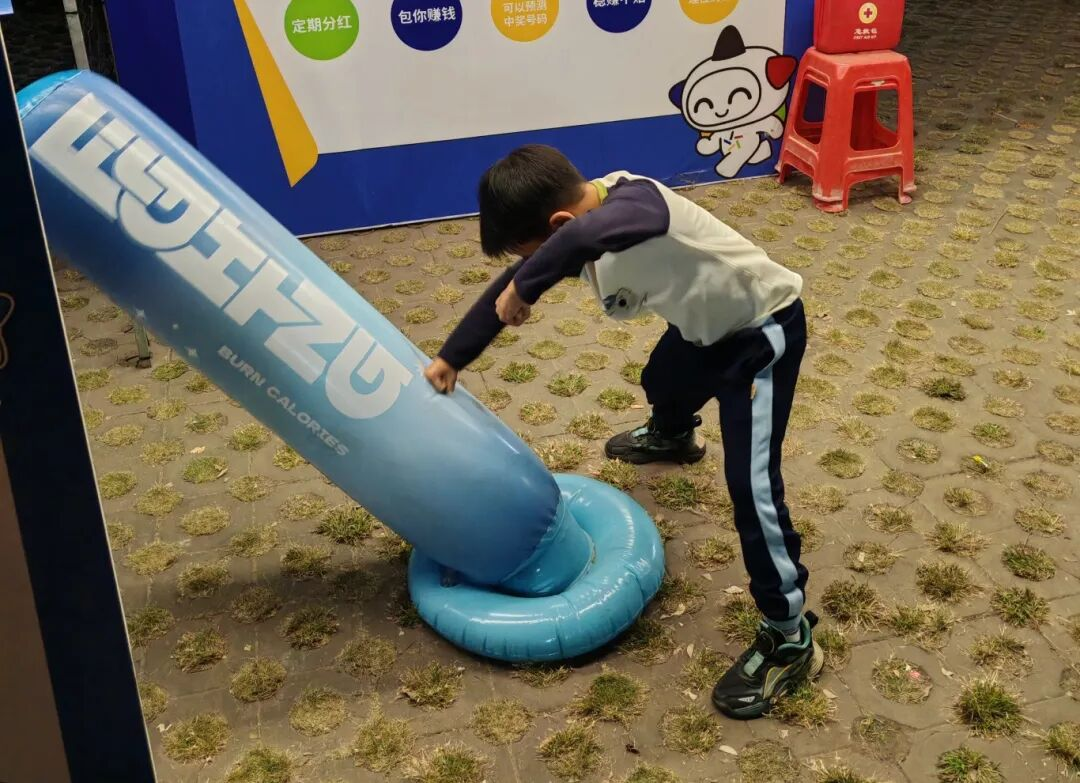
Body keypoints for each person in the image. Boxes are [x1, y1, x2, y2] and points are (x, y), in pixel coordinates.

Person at [423, 144, 821, 719]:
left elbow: (583, 240)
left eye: (540, 253)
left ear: (560, 223)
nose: (540, 266)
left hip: (761, 336)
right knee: (663, 379)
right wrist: (452, 358)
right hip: (702, 331)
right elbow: (523, 275)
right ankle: (674, 435)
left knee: (752, 489)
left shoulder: (636, 203)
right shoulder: (583, 222)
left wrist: (528, 286)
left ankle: (789, 636)